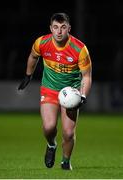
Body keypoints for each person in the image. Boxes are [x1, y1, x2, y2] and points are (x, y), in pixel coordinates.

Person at [18, 12, 92, 170]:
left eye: (63, 27)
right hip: (50, 89)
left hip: (71, 93)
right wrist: (28, 75)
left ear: (69, 29)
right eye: (56, 27)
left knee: (68, 133)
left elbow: (86, 76)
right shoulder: (42, 42)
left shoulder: (80, 49)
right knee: (49, 127)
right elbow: (33, 56)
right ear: (50, 28)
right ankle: (51, 145)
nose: (59, 31)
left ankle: (65, 162)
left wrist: (83, 95)